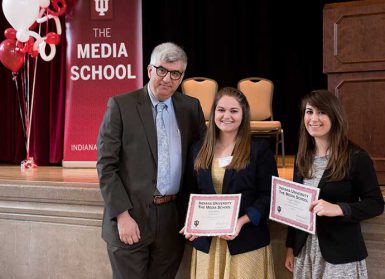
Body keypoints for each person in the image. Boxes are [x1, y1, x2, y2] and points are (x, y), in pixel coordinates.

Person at [97, 42, 206, 279]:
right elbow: (106, 166)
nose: (167, 79)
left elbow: (200, 164)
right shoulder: (121, 105)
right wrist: (122, 215)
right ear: (149, 70)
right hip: (131, 216)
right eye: (162, 70)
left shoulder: (191, 108)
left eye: (175, 73)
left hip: (172, 217)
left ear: (182, 76)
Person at [285, 89, 384, 278]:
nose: (314, 118)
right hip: (305, 252)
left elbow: (376, 204)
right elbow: (295, 206)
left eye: (322, 112)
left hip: (340, 256)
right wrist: (291, 246)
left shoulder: (356, 157)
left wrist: (339, 209)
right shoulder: (302, 157)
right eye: (309, 111)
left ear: (335, 116)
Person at [181, 87, 277, 279]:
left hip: (245, 241)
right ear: (214, 112)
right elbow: (190, 193)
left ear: (243, 115)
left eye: (234, 111)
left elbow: (269, 195)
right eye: (221, 110)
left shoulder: (258, 150)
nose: (227, 116)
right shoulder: (198, 149)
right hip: (208, 244)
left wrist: (241, 222)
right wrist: (191, 222)